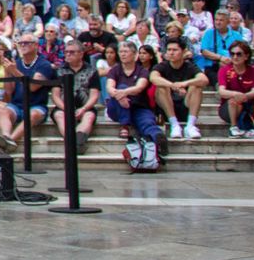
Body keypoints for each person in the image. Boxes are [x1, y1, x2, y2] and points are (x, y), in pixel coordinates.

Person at [0, 34, 53, 156]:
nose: (23, 46)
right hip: (17, 105)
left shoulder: (44, 65)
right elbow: (8, 91)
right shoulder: (17, 63)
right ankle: (6, 136)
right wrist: (7, 72)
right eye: (21, 43)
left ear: (36, 45)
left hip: (36, 105)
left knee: (33, 114)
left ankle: (10, 141)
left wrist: (14, 71)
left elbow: (33, 86)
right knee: (4, 111)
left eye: (26, 43)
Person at [105, 40, 163, 172]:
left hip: (138, 106)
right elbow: (109, 87)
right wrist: (120, 96)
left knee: (148, 122)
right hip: (117, 109)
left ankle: (158, 140)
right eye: (120, 52)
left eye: (126, 51)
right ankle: (124, 124)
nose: (122, 54)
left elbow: (139, 87)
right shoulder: (115, 70)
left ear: (135, 54)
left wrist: (123, 94)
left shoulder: (142, 71)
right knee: (122, 86)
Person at [150, 37, 207, 142]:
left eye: (175, 50)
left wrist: (184, 84)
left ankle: (190, 126)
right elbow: (153, 78)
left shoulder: (189, 66)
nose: (171, 53)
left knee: (196, 87)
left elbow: (204, 79)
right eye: (169, 50)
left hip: (186, 105)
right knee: (161, 87)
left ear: (183, 51)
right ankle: (174, 125)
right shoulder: (162, 66)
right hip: (167, 108)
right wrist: (173, 85)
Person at [52, 39, 102, 155]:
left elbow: (94, 96)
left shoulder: (92, 71)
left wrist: (83, 109)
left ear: (81, 53)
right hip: (64, 106)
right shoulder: (59, 71)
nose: (68, 54)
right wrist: (66, 109)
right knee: (59, 115)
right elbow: (55, 95)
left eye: (72, 52)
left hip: (84, 105)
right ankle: (74, 142)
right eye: (66, 52)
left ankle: (76, 142)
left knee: (89, 116)